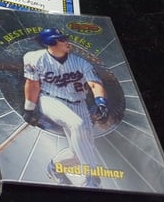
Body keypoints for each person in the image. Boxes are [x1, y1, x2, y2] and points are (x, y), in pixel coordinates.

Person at [22, 28, 108, 188]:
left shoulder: (80, 62)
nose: (67, 42)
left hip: (79, 104)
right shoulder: (34, 58)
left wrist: (101, 102)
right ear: (50, 42)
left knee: (80, 151)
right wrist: (29, 109)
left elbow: (94, 84)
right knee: (77, 125)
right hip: (51, 99)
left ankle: (54, 167)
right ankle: (92, 180)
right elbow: (33, 84)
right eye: (61, 39)